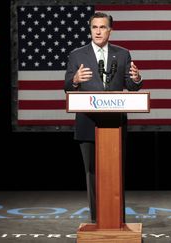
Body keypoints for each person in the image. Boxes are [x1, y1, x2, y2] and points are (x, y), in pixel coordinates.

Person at [64, 12, 142, 223]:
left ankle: (117, 219)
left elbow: (132, 86)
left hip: (114, 124)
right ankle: (97, 220)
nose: (97, 31)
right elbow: (67, 86)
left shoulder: (123, 54)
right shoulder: (77, 55)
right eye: (94, 27)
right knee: (92, 173)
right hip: (87, 122)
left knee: (116, 172)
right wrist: (75, 79)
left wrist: (137, 78)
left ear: (110, 30)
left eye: (102, 27)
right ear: (90, 30)